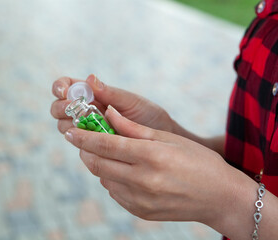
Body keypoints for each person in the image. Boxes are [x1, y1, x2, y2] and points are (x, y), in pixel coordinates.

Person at [50, 1, 278, 239]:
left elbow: (234, 196)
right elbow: (258, 153)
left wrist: (228, 203)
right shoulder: (269, 15)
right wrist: (171, 134)